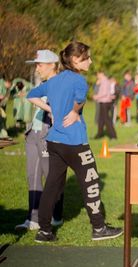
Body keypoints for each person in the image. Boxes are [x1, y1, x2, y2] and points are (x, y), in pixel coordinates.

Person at [27, 41, 123, 242]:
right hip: (75, 142)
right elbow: (79, 101)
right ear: (74, 59)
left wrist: (52, 109)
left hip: (54, 142)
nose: (90, 61)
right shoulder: (79, 81)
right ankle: (99, 228)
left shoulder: (54, 80)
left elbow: (31, 95)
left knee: (52, 185)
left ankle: (44, 231)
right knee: (91, 182)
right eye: (87, 57)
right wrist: (74, 110)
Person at [15, 50, 65, 231]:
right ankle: (33, 218)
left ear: (52, 65)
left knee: (52, 177)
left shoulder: (60, 83)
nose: (37, 69)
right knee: (32, 176)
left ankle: (55, 215)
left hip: (49, 134)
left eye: (40, 65)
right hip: (34, 133)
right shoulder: (43, 83)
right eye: (36, 64)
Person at [93, 71, 117, 139]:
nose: (97, 76)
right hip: (103, 102)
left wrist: (96, 96)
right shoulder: (104, 81)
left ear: (101, 74)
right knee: (101, 120)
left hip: (105, 102)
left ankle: (113, 135)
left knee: (107, 119)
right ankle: (99, 134)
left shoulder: (104, 81)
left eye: (98, 74)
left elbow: (104, 93)